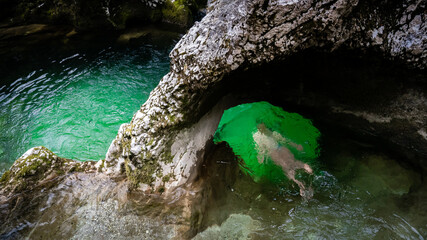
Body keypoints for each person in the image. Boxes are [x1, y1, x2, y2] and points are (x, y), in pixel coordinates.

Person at [253, 123, 313, 198]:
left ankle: (302, 177)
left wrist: (296, 145)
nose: (262, 128)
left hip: (278, 149)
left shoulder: (270, 133)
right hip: (275, 151)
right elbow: (260, 148)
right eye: (260, 127)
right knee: (287, 165)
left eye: (262, 126)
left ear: (264, 125)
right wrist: (260, 156)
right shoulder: (258, 135)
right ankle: (301, 180)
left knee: (289, 164)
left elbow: (284, 140)